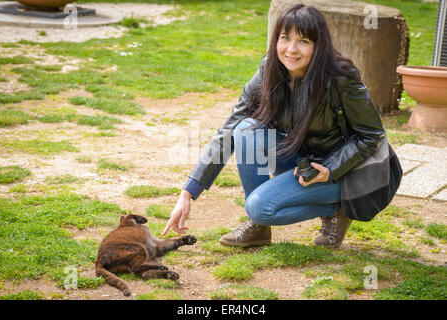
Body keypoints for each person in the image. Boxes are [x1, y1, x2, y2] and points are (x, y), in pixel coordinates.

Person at [162, 4, 385, 249]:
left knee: (259, 206)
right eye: (285, 38)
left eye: (303, 41)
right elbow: (229, 130)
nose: (291, 49)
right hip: (304, 161)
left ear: (319, 45)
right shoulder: (270, 70)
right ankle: (258, 227)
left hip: (342, 172)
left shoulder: (341, 78)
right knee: (246, 129)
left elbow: (371, 135)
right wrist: (188, 193)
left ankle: (340, 208)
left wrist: (330, 169)